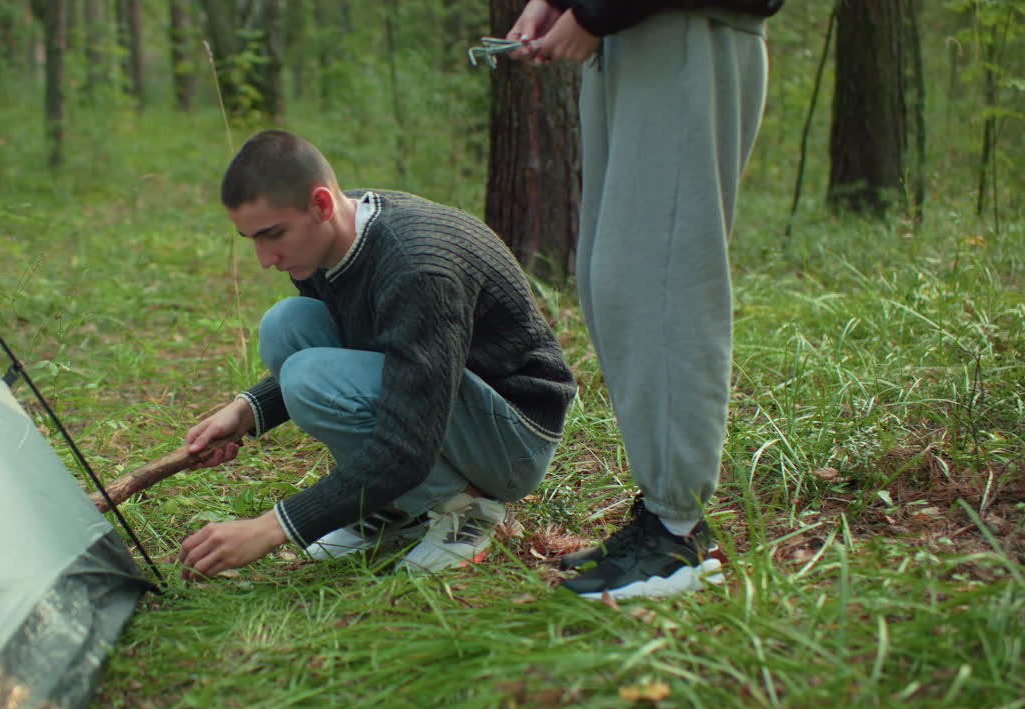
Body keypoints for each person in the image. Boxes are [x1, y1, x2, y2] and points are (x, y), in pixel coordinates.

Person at [176, 129, 576, 579]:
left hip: (514, 438)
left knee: (309, 376)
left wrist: (272, 528)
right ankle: (399, 506)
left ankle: (469, 509)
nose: (264, 258)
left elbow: (408, 444)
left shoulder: (417, 267)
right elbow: (372, 347)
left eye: (273, 234)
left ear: (322, 204)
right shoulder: (328, 242)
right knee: (286, 325)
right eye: (252, 239)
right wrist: (246, 412)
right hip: (442, 399)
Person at [505, 0, 782, 599]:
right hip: (634, 32)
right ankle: (663, 516)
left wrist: (598, 10)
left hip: (686, 25)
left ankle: (677, 538)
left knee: (660, 281)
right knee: (615, 283)